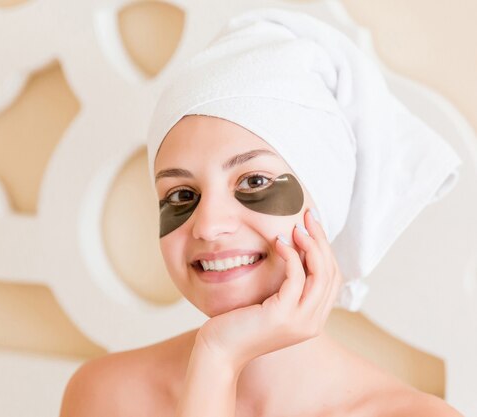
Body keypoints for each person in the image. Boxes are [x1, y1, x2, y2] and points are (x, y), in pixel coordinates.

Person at [60, 8, 464, 417]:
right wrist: (216, 361)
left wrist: (218, 358)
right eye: (182, 194)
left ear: (325, 203)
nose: (209, 226)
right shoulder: (104, 395)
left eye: (254, 182)